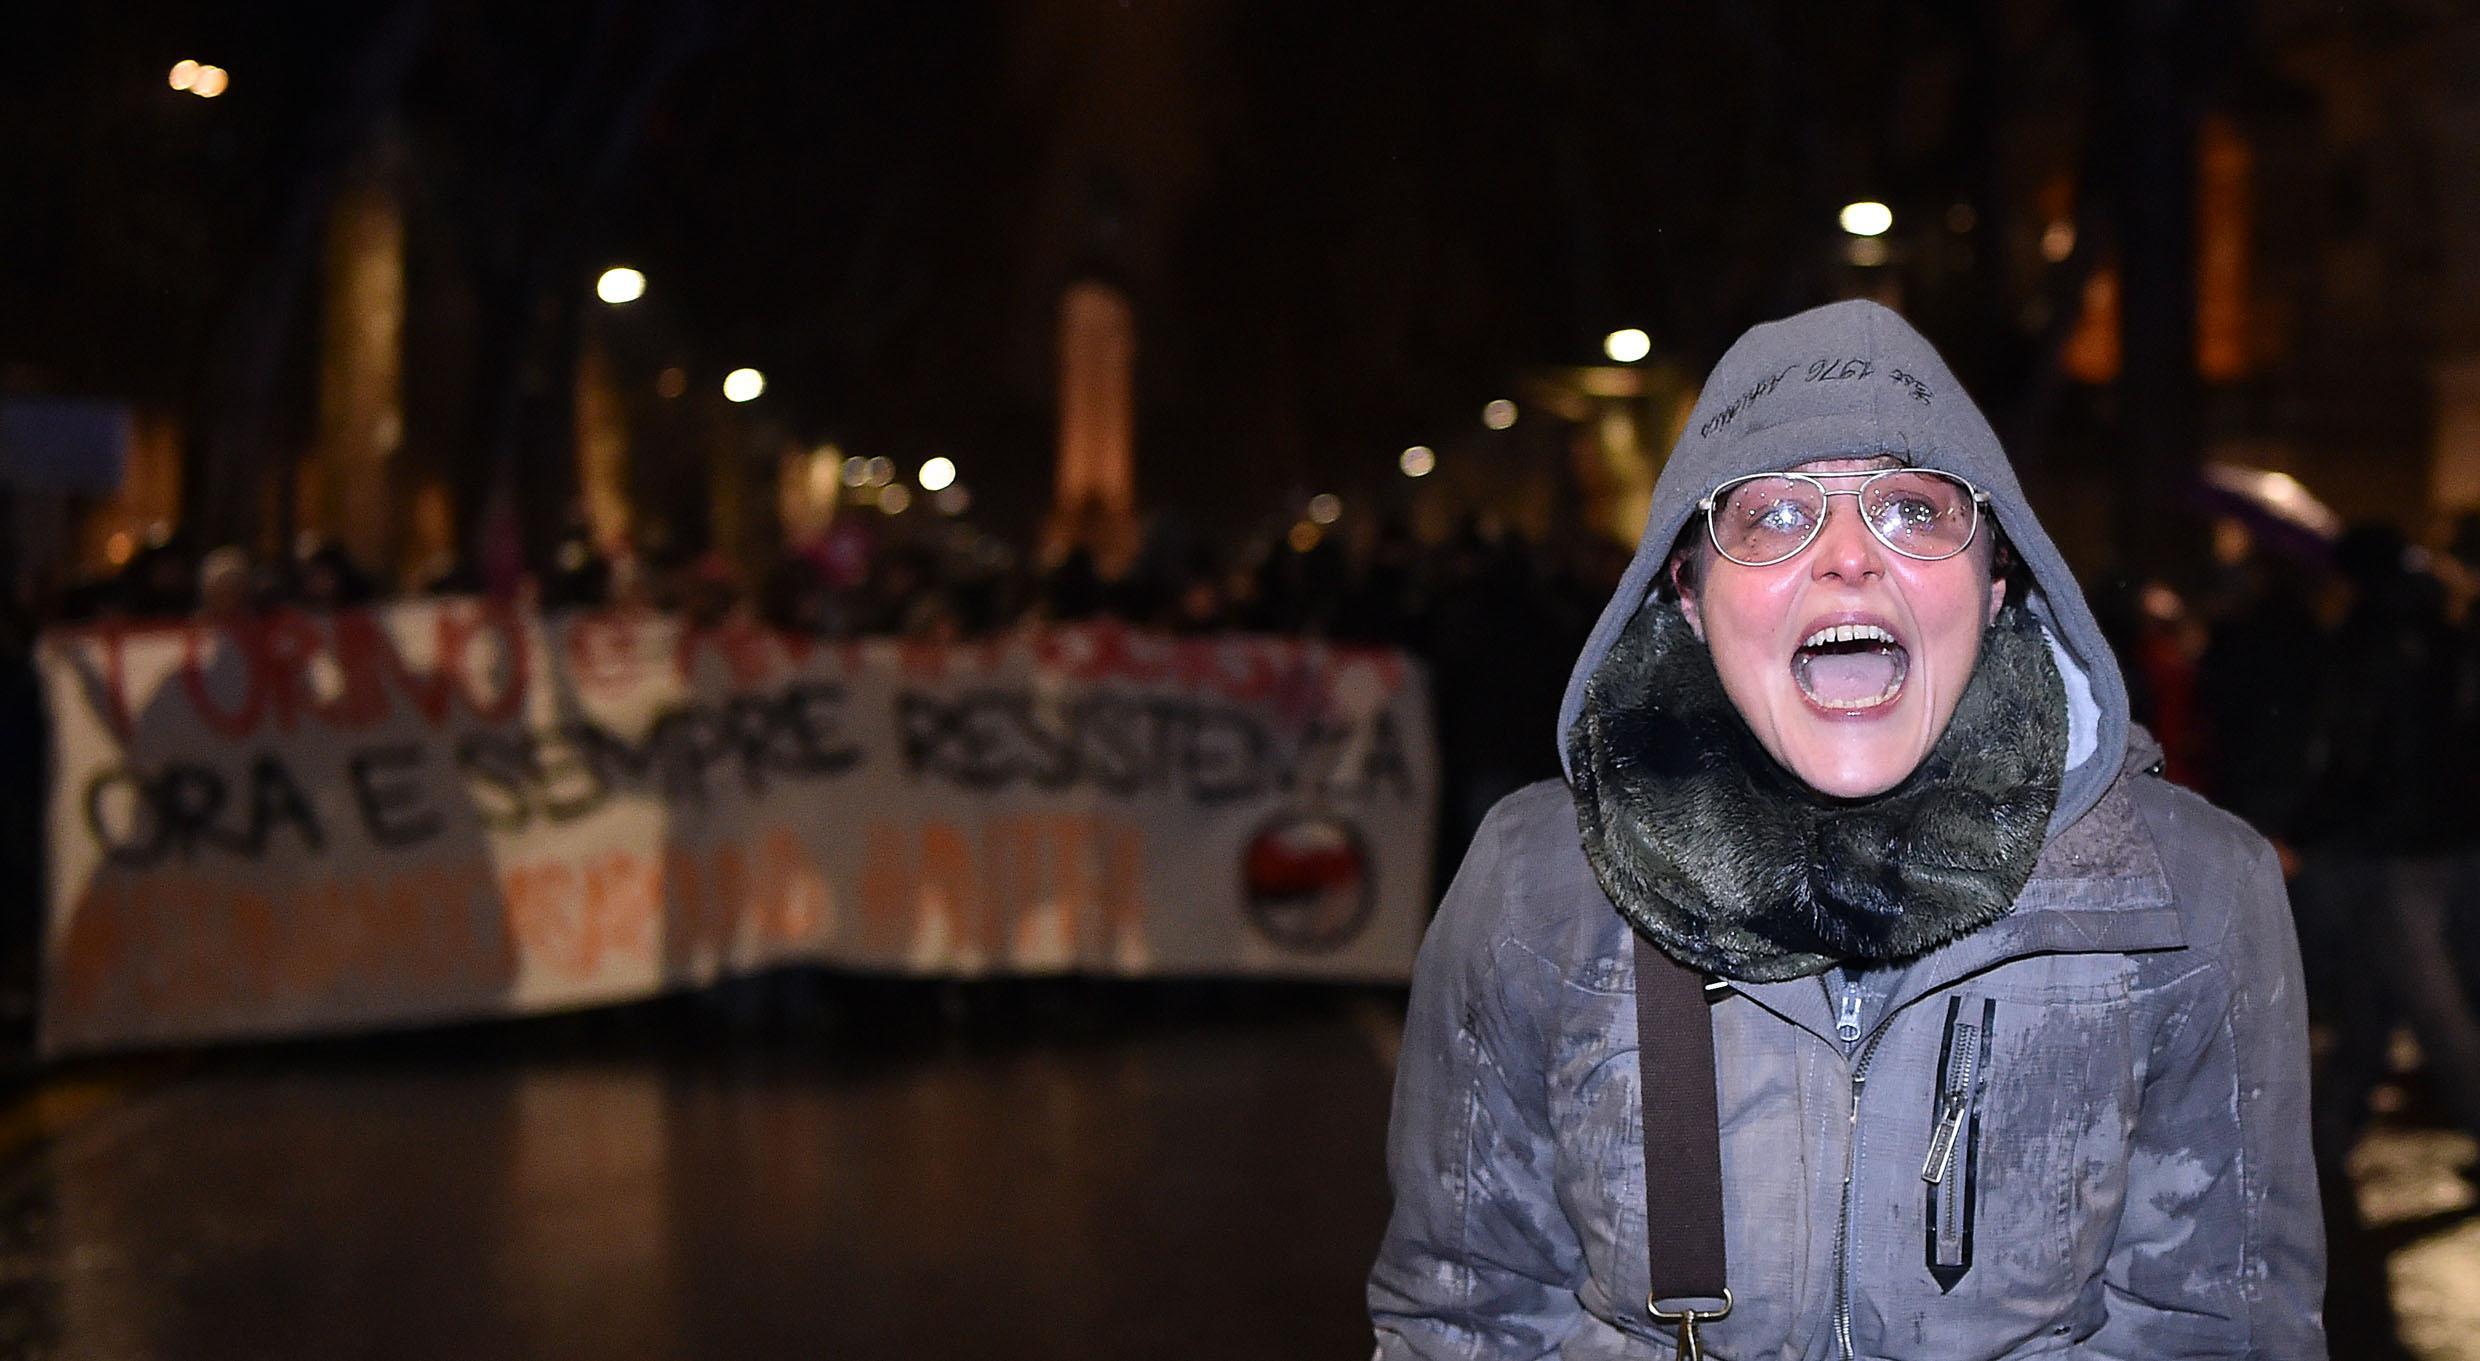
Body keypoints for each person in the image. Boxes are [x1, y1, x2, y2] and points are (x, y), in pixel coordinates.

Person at [1368, 299, 2325, 1358]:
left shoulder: (2189, 888)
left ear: (1997, 581)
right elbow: (1460, 1318)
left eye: (1912, 510)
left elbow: (2227, 1330)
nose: (1845, 556)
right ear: (1686, 594)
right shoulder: (1534, 882)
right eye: (1772, 514)